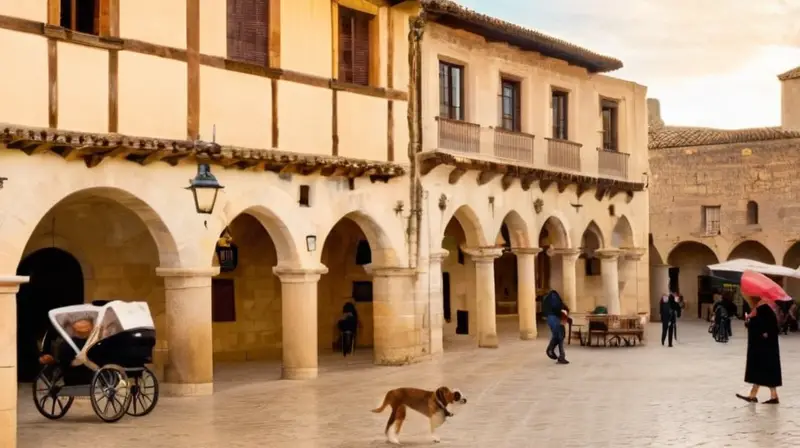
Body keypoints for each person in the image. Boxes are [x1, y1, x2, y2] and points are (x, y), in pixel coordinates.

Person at [736, 296, 782, 404]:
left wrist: (749, 322)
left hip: (763, 349)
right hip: (767, 349)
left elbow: (760, 327)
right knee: (765, 371)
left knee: (763, 370)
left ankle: (759, 395)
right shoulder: (765, 311)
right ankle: (759, 395)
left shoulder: (762, 311)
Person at [542, 290, 569, 365]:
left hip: (552, 318)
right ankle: (554, 352)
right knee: (559, 336)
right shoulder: (554, 296)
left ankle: (556, 353)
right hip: (554, 318)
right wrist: (562, 312)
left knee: (559, 336)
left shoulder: (549, 298)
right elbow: (557, 307)